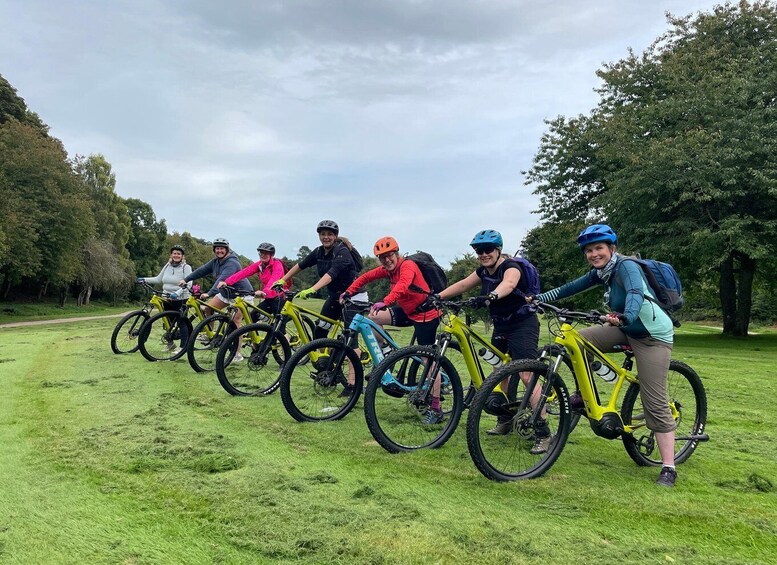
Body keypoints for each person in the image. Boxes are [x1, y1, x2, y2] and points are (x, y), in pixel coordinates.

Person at [532, 224, 678, 487]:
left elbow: (635, 293)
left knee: (654, 401)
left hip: (651, 336)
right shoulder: (602, 273)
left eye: (598, 248)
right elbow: (569, 288)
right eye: (589, 250)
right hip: (625, 329)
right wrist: (538, 299)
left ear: (612, 248)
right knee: (582, 339)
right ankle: (581, 394)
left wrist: (626, 316)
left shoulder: (626, 267)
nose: (593, 254)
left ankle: (669, 466)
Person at [424, 229, 543, 447]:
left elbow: (509, 284)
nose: (483, 254)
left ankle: (544, 432)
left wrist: (491, 296)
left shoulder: (510, 266)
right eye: (479, 251)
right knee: (500, 373)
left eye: (488, 250)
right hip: (501, 325)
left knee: (527, 375)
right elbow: (462, 285)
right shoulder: (483, 271)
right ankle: (505, 419)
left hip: (522, 324)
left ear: (498, 250)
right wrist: (437, 297)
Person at [341, 236, 443, 417]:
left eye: (390, 255)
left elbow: (402, 287)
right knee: (373, 319)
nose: (387, 260)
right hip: (408, 311)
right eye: (382, 257)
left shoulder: (408, 266)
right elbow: (365, 277)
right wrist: (349, 291)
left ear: (397, 253)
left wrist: (385, 301)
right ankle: (387, 351)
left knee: (428, 360)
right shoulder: (388, 270)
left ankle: (436, 407)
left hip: (426, 314)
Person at [274, 220, 364, 340]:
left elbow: (331, 274)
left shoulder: (342, 251)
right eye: (323, 234)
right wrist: (283, 280)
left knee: (349, 340)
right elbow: (301, 265)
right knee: (320, 332)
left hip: (354, 296)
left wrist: (312, 289)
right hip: (335, 297)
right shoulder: (319, 252)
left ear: (335, 236)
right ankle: (324, 359)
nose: (326, 237)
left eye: (330, 234)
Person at [179, 237, 253, 361]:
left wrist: (210, 293)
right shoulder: (215, 262)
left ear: (227, 250)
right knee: (208, 308)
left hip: (242, 295)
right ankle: (210, 334)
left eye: (222, 249)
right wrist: (186, 279)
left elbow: (222, 279)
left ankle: (237, 353)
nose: (219, 251)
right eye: (217, 249)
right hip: (226, 294)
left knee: (235, 321)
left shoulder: (232, 263)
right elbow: (201, 271)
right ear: (214, 250)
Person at [137, 244, 192, 356]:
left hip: (181, 298)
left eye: (179, 254)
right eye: (174, 253)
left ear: (182, 256)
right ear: (171, 255)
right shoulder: (167, 266)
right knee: (167, 322)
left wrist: (177, 293)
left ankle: (182, 347)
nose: (176, 255)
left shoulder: (186, 267)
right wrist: (144, 279)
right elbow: (158, 279)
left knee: (181, 322)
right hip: (166, 297)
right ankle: (170, 344)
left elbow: (189, 283)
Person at [217, 242, 288, 319]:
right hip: (268, 298)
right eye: (261, 253)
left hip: (280, 297)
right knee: (253, 317)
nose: (262, 255)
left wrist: (265, 291)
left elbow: (274, 280)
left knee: (278, 326)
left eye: (266, 253)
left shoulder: (277, 265)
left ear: (271, 255)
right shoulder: (260, 265)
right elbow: (244, 272)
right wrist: (226, 282)